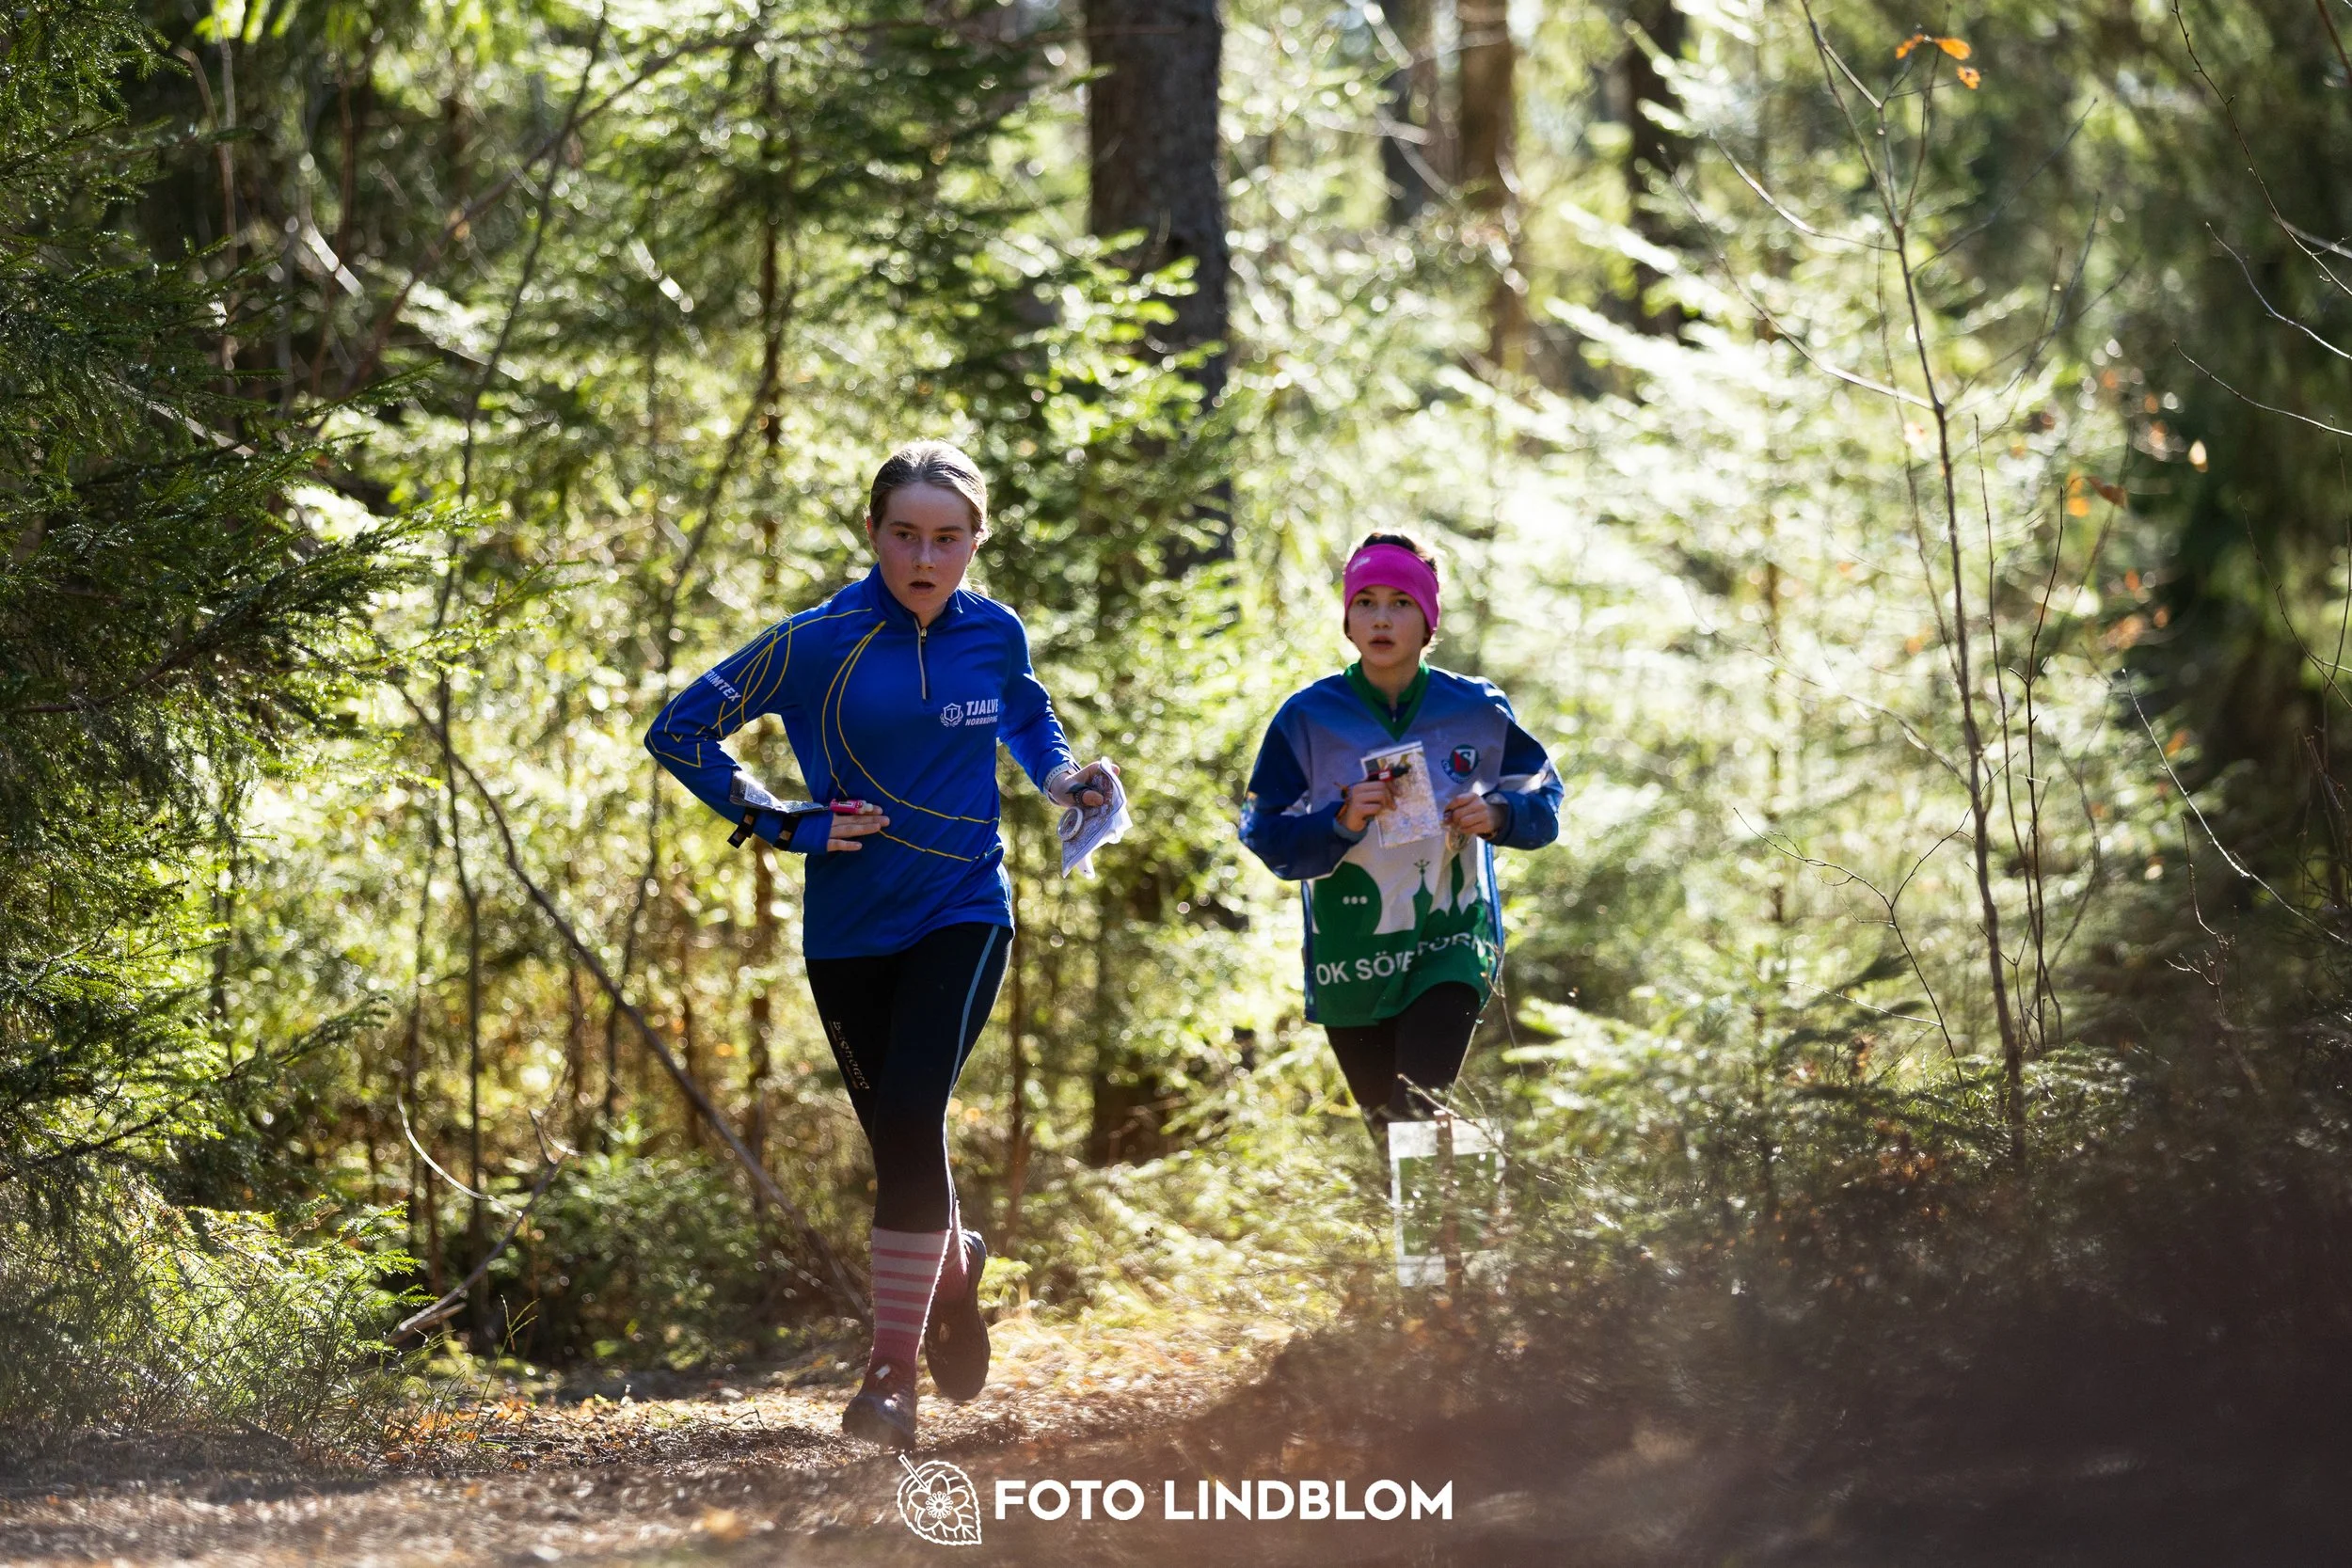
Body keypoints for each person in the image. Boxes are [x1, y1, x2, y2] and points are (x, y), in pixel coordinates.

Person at [644, 439, 1117, 1450]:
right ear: (873, 533)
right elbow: (679, 729)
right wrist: (781, 820)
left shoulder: (993, 631)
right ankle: (950, 1266)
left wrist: (1064, 777)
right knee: (900, 1140)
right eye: (904, 532)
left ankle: (886, 1381)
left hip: (962, 906)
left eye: (948, 538)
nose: (924, 555)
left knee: (912, 1108)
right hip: (848, 928)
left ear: (974, 542)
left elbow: (1025, 712)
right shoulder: (815, 642)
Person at [1239, 533, 1561, 1146]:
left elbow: (1546, 801)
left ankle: (1448, 1237)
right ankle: (1459, 1237)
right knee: (1391, 1131)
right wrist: (1338, 821)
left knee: (1415, 1106)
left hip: (1452, 940)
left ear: (1428, 620)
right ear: (1347, 618)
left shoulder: (1478, 708)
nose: (1381, 617)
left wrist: (1500, 815)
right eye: (1366, 602)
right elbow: (1262, 829)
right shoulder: (1307, 717)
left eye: (1401, 602)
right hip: (1351, 955)